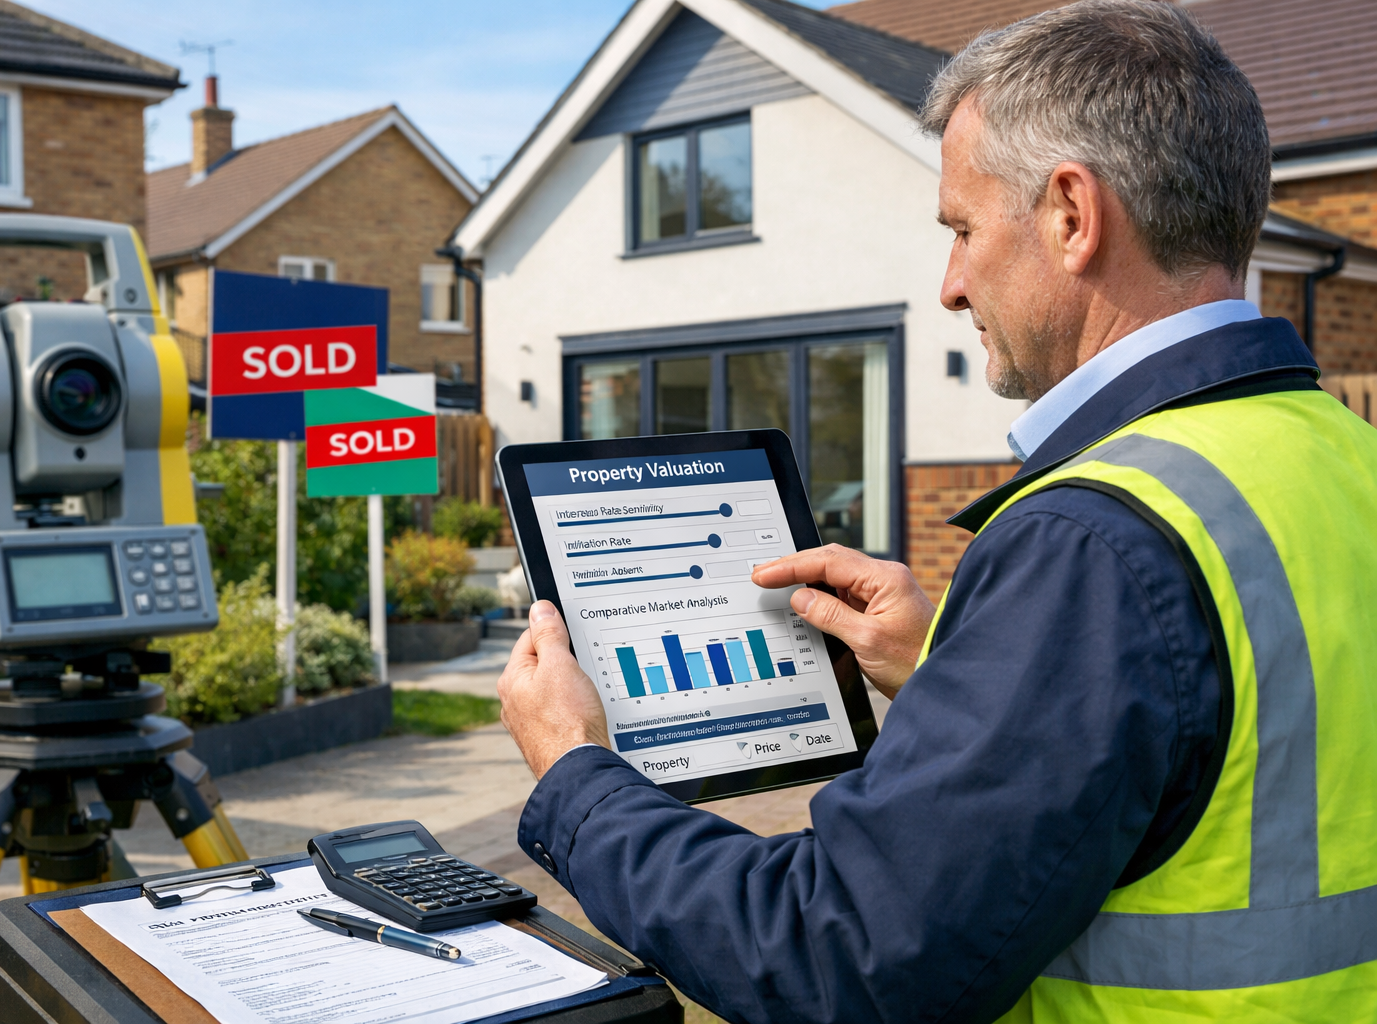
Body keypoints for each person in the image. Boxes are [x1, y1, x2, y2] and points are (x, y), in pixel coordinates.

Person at [496, 2, 1377, 1021]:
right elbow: (1236, 746)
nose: (952, 285)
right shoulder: (1341, 457)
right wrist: (951, 672)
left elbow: (848, 954)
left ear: (1071, 215)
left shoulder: (1096, 541)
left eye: (963, 227)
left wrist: (575, 774)